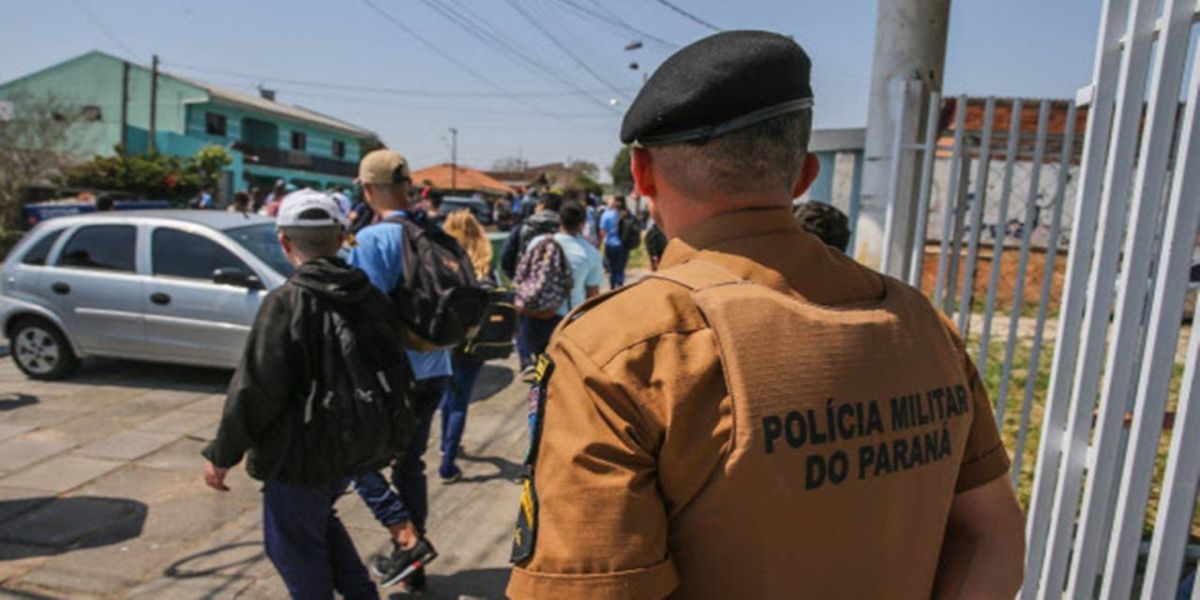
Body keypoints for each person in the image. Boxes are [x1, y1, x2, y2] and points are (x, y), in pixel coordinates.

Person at [506, 31, 1025, 600]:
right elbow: (991, 531)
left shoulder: (620, 348)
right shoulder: (922, 325)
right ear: (804, 176)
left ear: (642, 176)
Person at [201, 190, 405, 600]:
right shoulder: (369, 296)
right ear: (341, 237)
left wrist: (222, 454)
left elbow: (255, 389)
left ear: (284, 241)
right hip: (352, 450)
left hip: (299, 458)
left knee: (292, 548)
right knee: (318, 526)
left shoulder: (286, 302)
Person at [348, 150, 451, 593]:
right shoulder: (434, 231)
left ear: (369, 191)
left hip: (395, 374)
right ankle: (415, 570)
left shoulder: (372, 240)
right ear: (409, 187)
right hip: (438, 365)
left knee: (355, 457)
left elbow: (367, 314)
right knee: (411, 463)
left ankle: (405, 535)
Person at [438, 210, 495, 482]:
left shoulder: (444, 258)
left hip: (446, 336)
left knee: (448, 396)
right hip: (475, 339)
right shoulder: (484, 259)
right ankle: (448, 464)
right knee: (461, 399)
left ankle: (444, 448)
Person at [520, 201, 603, 358]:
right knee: (560, 370)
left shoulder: (538, 243)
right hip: (566, 321)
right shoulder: (590, 253)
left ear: (559, 220)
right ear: (583, 223)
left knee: (540, 361)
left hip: (535, 315)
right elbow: (592, 295)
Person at [500, 193, 562, 378]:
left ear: (541, 205)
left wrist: (517, 278)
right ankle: (543, 369)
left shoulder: (523, 227)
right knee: (548, 334)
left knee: (523, 322)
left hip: (526, 285)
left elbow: (506, 257)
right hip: (554, 290)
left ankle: (526, 360)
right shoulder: (561, 228)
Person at [599, 196, 631, 287]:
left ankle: (612, 288)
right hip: (623, 245)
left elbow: (602, 231)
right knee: (620, 269)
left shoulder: (606, 214)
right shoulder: (627, 214)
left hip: (610, 244)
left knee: (612, 269)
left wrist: (599, 243)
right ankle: (619, 286)